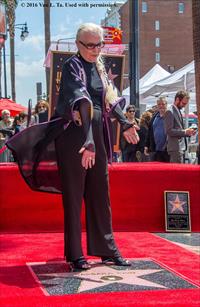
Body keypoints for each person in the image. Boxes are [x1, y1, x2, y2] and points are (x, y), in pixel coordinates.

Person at [6, 23, 139, 270]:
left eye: (99, 44)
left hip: (97, 135)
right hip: (74, 137)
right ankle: (76, 254)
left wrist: (126, 123)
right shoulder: (71, 67)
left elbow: (110, 99)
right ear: (78, 45)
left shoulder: (100, 67)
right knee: (75, 194)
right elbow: (82, 102)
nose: (95, 49)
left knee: (101, 191)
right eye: (90, 45)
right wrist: (87, 140)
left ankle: (107, 249)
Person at [164, 91, 196, 163]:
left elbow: (178, 129)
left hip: (180, 148)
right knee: (176, 173)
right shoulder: (170, 111)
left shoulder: (177, 110)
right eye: (183, 103)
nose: (184, 106)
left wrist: (188, 132)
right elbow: (169, 131)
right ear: (177, 99)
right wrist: (185, 132)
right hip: (175, 148)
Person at [144, 97, 169, 162]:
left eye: (163, 104)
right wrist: (146, 146)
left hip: (167, 150)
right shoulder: (154, 117)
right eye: (159, 104)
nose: (161, 106)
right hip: (156, 150)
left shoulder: (170, 116)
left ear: (166, 105)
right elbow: (149, 133)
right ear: (157, 106)